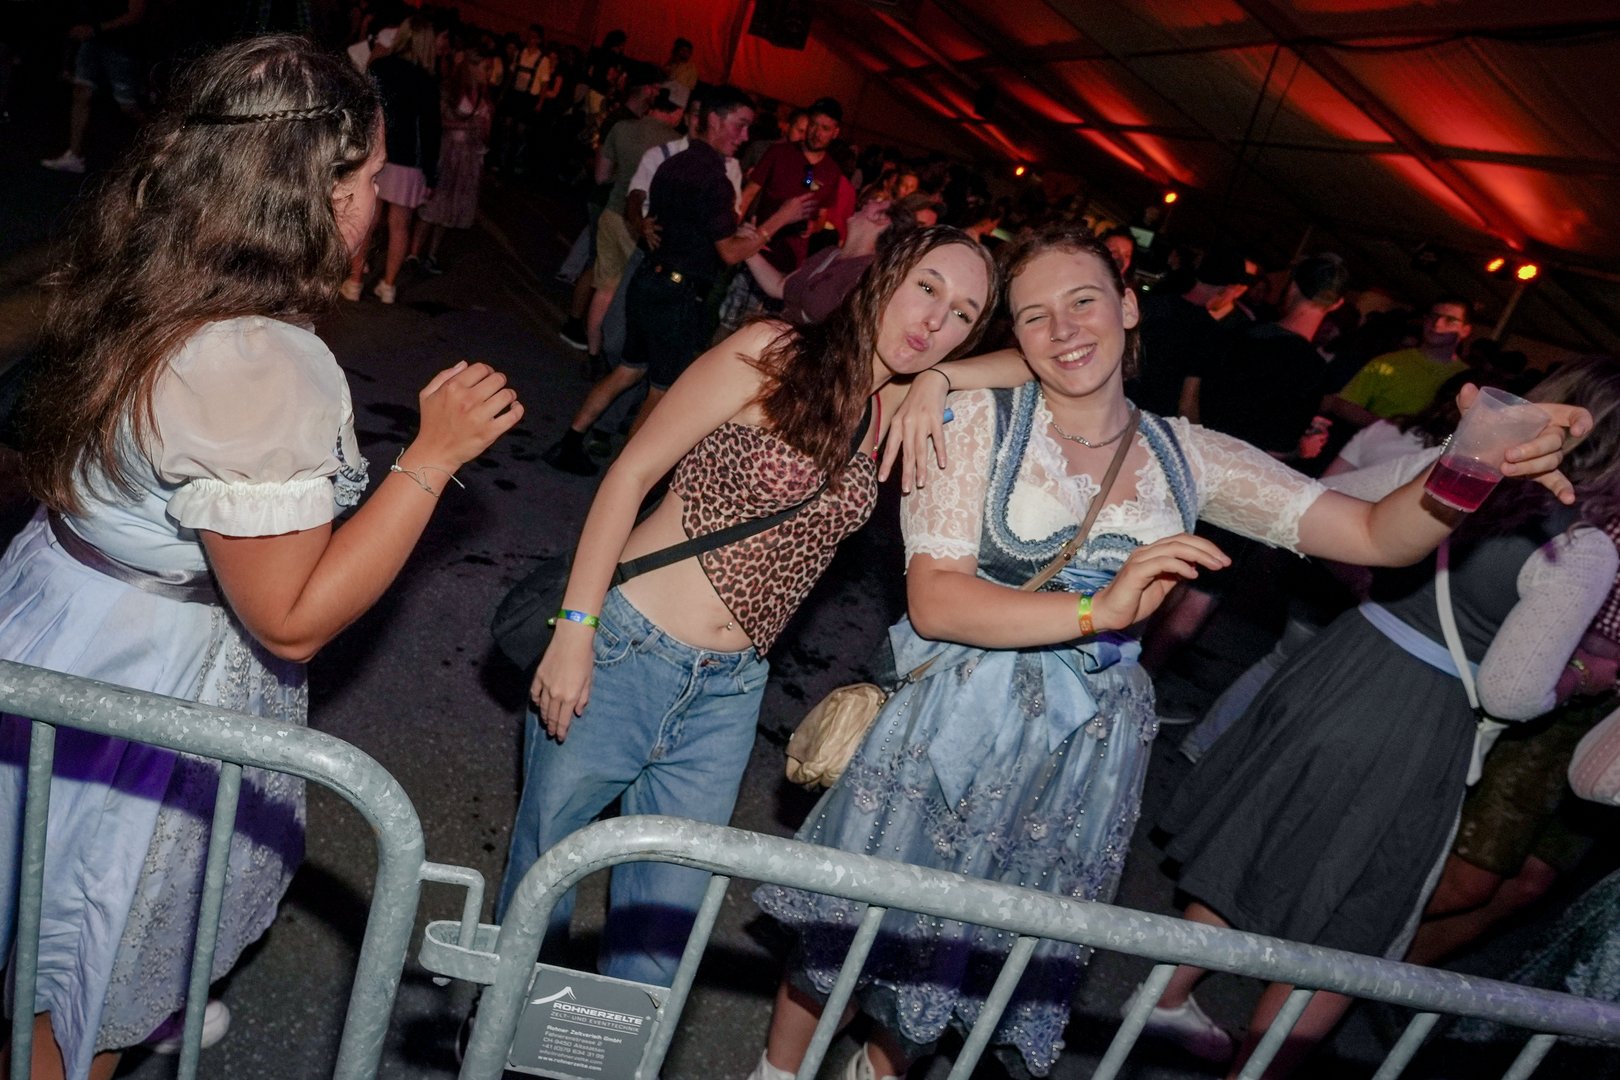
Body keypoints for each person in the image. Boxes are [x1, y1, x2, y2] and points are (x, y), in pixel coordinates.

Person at [746, 222, 1586, 1080]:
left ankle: (879, 1069)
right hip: (952, 720)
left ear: (1128, 306)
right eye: (1035, 315)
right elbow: (937, 600)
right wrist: (1099, 609)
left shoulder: (1191, 456)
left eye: (1083, 301)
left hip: (1082, 750)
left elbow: (1373, 533)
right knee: (854, 927)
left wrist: (1471, 466)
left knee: (962, 952)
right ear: (1017, 337)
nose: (1063, 329)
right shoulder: (974, 421)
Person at [0, 35, 520, 1080]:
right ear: (319, 192)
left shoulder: (150, 260)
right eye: (371, 176)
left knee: (40, 887)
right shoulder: (259, 361)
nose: (376, 197)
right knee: (89, 954)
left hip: (57, 604)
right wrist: (431, 458)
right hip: (142, 666)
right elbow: (291, 617)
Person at [505, 225, 1000, 990]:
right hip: (624, 648)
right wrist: (576, 630)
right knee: (546, 875)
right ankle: (497, 1031)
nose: (936, 320)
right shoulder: (771, 351)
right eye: (926, 288)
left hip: (728, 693)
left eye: (963, 313)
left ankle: (605, 1050)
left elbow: (1037, 367)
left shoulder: (901, 408)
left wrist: (942, 379)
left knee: (661, 932)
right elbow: (631, 473)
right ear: (885, 278)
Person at [1150, 356, 1620, 1078]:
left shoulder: (1454, 470)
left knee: (1258, 836)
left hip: (1341, 663)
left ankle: (1162, 997)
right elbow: (1510, 692)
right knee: (1354, 923)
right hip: (1417, 717)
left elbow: (1321, 504)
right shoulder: (1581, 547)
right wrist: (1584, 676)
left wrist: (1373, 576)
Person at [542, 86, 816, 477]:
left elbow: (672, 218)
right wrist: (778, 220)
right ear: (714, 120)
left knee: (627, 371)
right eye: (739, 125)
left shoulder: (675, 164)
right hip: (677, 295)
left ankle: (568, 443)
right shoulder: (714, 180)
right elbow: (729, 253)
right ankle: (624, 477)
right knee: (661, 391)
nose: (744, 136)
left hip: (650, 280)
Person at [343, 14, 440, 304]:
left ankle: (355, 281)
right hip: (408, 162)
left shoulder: (381, 67)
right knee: (400, 226)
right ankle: (388, 286)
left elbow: (365, 112)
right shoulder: (427, 80)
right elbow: (431, 131)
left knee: (368, 221)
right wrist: (431, 174)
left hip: (378, 154)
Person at [743, 194, 939, 326]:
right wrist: (748, 249)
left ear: (881, 218)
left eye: (879, 202)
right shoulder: (830, 254)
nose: (869, 201)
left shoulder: (867, 275)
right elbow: (778, 287)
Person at [1326, 296, 1475, 428]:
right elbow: (1345, 404)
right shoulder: (1387, 362)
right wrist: (1391, 431)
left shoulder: (1469, 378)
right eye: (1433, 316)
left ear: (1465, 330)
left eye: (1450, 320)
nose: (1438, 324)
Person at [40, 0, 148, 174]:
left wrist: (96, 29)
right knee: (81, 91)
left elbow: (136, 15)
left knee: (128, 106)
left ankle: (169, 141)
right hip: (93, 42)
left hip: (121, 45)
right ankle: (74, 156)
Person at [410, 54, 493, 274]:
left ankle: (432, 254)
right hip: (447, 153)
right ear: (472, 68)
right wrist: (465, 125)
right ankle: (413, 253)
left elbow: (486, 136)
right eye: (485, 67)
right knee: (433, 203)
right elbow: (436, 120)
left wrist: (483, 126)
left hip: (468, 157)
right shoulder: (451, 91)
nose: (489, 73)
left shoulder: (483, 96)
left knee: (450, 208)